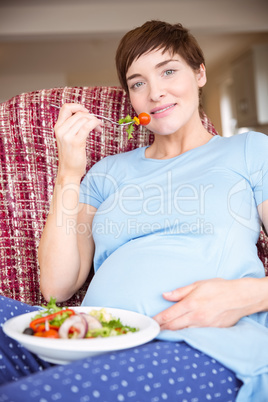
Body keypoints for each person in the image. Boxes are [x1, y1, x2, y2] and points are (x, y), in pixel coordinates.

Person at [1, 20, 268, 401]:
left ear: (200, 73)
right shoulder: (108, 172)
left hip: (200, 345)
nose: (155, 93)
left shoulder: (249, 152)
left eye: (169, 71)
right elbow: (57, 286)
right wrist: (69, 171)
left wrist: (251, 294)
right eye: (138, 82)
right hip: (89, 337)